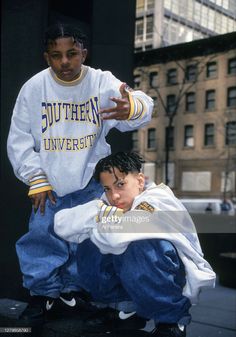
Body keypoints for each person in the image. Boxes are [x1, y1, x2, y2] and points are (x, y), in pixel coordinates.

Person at [7, 23, 153, 323]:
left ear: (83, 53)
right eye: (56, 55)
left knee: (86, 240)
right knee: (41, 237)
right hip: (48, 179)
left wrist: (133, 107)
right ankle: (42, 295)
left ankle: (72, 294)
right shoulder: (34, 88)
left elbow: (142, 105)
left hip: (88, 180)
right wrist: (35, 177)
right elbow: (19, 138)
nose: (64, 62)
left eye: (72, 53)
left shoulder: (101, 82)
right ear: (46, 56)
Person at [54, 152, 216, 337]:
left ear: (140, 181)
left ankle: (171, 321)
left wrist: (99, 220)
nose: (114, 195)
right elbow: (61, 224)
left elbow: (117, 236)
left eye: (120, 184)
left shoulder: (159, 200)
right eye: (107, 188)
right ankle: (122, 309)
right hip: (133, 270)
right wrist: (100, 215)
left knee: (141, 244)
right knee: (88, 240)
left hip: (172, 275)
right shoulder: (108, 202)